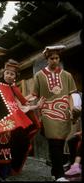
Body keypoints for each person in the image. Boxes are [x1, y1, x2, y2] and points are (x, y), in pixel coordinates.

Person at [0, 59, 44, 180]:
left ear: (15, 76)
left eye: (12, 74)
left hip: (12, 120)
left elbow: (20, 104)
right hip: (1, 121)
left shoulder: (13, 87)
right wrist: (12, 119)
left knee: (16, 142)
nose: (9, 75)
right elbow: (3, 105)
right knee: (0, 146)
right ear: (3, 72)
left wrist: (36, 106)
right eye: (7, 73)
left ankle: (9, 169)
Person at [31, 45, 77, 181]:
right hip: (47, 111)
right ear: (47, 59)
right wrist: (21, 103)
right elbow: (34, 94)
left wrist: (72, 109)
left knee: (60, 142)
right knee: (54, 142)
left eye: (57, 58)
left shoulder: (67, 75)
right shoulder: (39, 75)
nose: (55, 60)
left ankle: (54, 170)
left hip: (64, 112)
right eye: (52, 58)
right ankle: (59, 175)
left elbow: (71, 94)